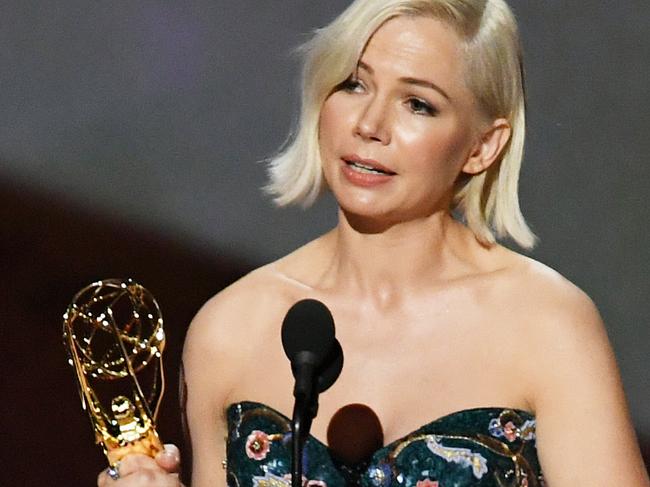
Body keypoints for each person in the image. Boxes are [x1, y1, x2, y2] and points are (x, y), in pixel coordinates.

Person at [98, 0, 649, 486]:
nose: (369, 123)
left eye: (418, 104)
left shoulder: (547, 326)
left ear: (483, 146)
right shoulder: (231, 330)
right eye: (354, 84)